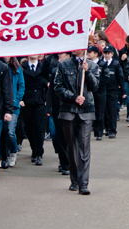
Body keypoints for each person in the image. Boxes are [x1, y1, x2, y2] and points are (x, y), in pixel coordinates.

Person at [54, 49, 99, 195]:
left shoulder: (92, 65)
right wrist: (74, 97)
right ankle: (74, 179)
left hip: (86, 111)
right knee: (71, 147)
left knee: (84, 148)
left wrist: (88, 72)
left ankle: (83, 183)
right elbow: (58, 86)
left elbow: (95, 86)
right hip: (68, 110)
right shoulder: (63, 65)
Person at [21, 55, 48, 166]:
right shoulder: (22, 67)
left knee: (39, 127)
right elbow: (20, 83)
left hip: (40, 100)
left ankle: (38, 152)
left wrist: (46, 99)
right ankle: (34, 149)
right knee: (29, 128)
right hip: (27, 101)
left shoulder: (43, 67)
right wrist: (21, 99)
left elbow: (47, 83)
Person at [46, 52, 70, 175]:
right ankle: (63, 163)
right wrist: (48, 107)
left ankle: (70, 161)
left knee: (69, 136)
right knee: (58, 135)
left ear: (68, 56)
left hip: (69, 107)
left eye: (62, 54)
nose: (59, 55)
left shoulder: (73, 70)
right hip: (57, 108)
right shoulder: (55, 71)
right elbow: (51, 90)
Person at [0, 57, 24, 168]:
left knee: (10, 132)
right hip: (1, 105)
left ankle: (13, 152)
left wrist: (17, 100)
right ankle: (3, 155)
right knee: (1, 133)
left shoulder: (17, 69)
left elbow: (21, 86)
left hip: (14, 106)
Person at [87, 46, 109, 140]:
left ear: (96, 54)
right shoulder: (86, 64)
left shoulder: (102, 64)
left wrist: (97, 84)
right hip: (89, 91)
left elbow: (106, 77)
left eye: (90, 52)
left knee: (100, 112)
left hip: (100, 91)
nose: (88, 54)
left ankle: (99, 133)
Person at [103, 46, 124, 138]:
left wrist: (123, 91)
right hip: (103, 90)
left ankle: (112, 130)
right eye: (105, 53)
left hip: (113, 90)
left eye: (108, 53)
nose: (107, 55)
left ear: (112, 54)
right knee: (104, 110)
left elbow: (120, 77)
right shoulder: (101, 63)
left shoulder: (116, 64)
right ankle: (107, 128)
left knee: (112, 110)